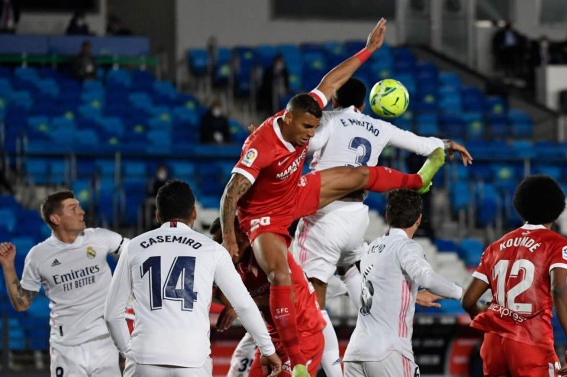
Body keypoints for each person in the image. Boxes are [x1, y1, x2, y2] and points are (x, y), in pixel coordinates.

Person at [220, 18, 446, 377]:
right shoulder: (262, 145)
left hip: (294, 195)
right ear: (289, 119)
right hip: (263, 217)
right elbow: (230, 195)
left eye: (314, 128)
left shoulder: (303, 117)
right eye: (307, 129)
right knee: (280, 275)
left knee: (358, 176)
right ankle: (296, 363)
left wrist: (369, 50)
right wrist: (232, 241)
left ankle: (416, 180)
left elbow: (331, 81)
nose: (309, 137)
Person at [290, 77, 472, 376]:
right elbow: (424, 146)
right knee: (351, 273)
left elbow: (304, 143)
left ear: (335, 101)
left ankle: (323, 371)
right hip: (357, 218)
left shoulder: (330, 121)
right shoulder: (380, 127)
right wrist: (447, 145)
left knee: (312, 303)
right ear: (363, 104)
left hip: (324, 214)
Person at [104, 180, 281, 377]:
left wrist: (128, 352)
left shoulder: (133, 247)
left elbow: (112, 314)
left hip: (145, 359)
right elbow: (244, 305)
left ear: (157, 215)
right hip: (193, 360)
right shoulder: (212, 249)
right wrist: (268, 349)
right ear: (194, 214)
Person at [0, 190, 128, 376]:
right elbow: (22, 303)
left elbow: (137, 251)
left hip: (104, 343)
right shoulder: (38, 255)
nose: (81, 212)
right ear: (56, 219)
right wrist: (8, 266)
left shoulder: (100, 237)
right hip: (66, 349)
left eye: (79, 207)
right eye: (73, 208)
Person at [461, 175, 567, 377]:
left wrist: (492, 318)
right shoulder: (558, 244)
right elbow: (559, 289)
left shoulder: (496, 247)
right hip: (531, 343)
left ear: (519, 205)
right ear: (558, 208)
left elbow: (468, 300)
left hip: (493, 345)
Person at [343, 189, 463, 377]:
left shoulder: (372, 248)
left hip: (355, 354)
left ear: (387, 215)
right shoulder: (406, 246)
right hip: (389, 352)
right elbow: (427, 278)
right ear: (418, 219)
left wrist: (412, 296)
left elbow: (376, 289)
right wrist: (461, 293)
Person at [210, 217, 325, 377]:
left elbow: (288, 299)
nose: (222, 246)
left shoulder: (267, 250)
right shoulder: (238, 264)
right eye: (218, 242)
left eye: (223, 239)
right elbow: (221, 295)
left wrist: (243, 305)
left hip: (302, 334)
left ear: (239, 233)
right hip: (272, 338)